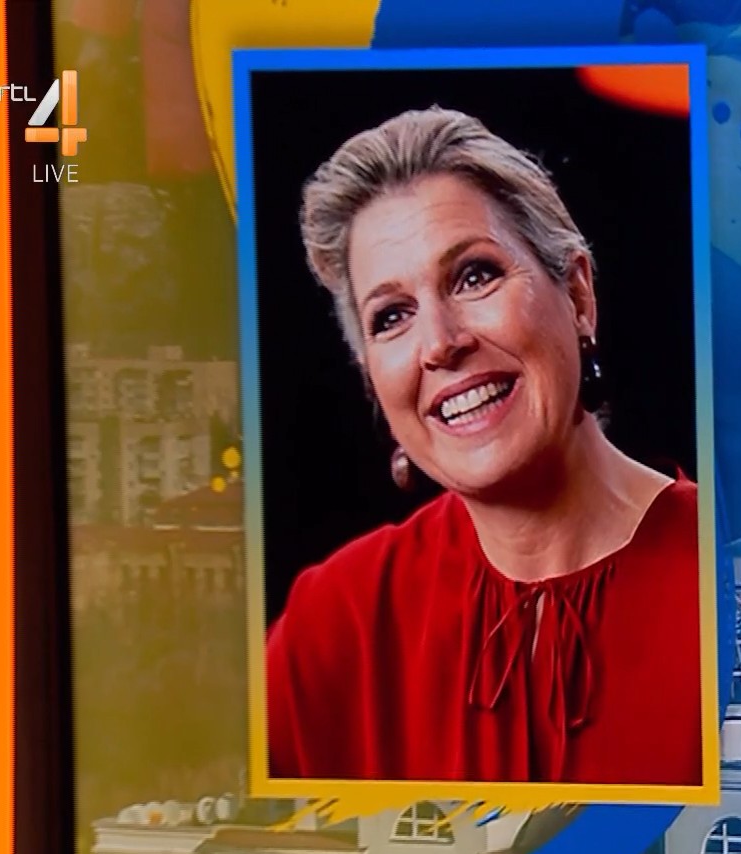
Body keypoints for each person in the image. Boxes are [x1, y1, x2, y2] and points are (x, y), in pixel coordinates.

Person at [266, 107, 703, 787]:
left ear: (578, 294)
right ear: (372, 378)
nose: (440, 343)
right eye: (392, 316)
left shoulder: (734, 579)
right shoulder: (334, 624)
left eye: (474, 276)